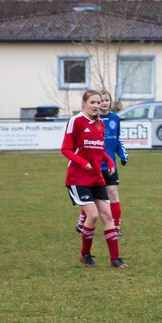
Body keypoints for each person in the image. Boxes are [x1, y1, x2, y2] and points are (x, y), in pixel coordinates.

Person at [62, 89, 127, 268]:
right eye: (93, 102)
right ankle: (85, 254)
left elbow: (99, 150)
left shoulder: (101, 124)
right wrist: (83, 163)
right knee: (93, 215)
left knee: (107, 215)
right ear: (84, 103)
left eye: (99, 103)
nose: (97, 106)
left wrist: (109, 161)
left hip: (96, 177)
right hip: (78, 178)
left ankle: (115, 259)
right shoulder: (75, 121)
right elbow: (65, 149)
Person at [76, 89, 128, 235]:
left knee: (113, 193)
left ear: (110, 102)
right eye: (101, 101)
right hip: (95, 165)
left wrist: (122, 155)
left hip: (110, 165)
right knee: (93, 198)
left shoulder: (115, 119)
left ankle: (116, 225)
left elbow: (118, 139)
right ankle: (82, 220)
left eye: (106, 100)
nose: (104, 103)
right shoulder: (93, 121)